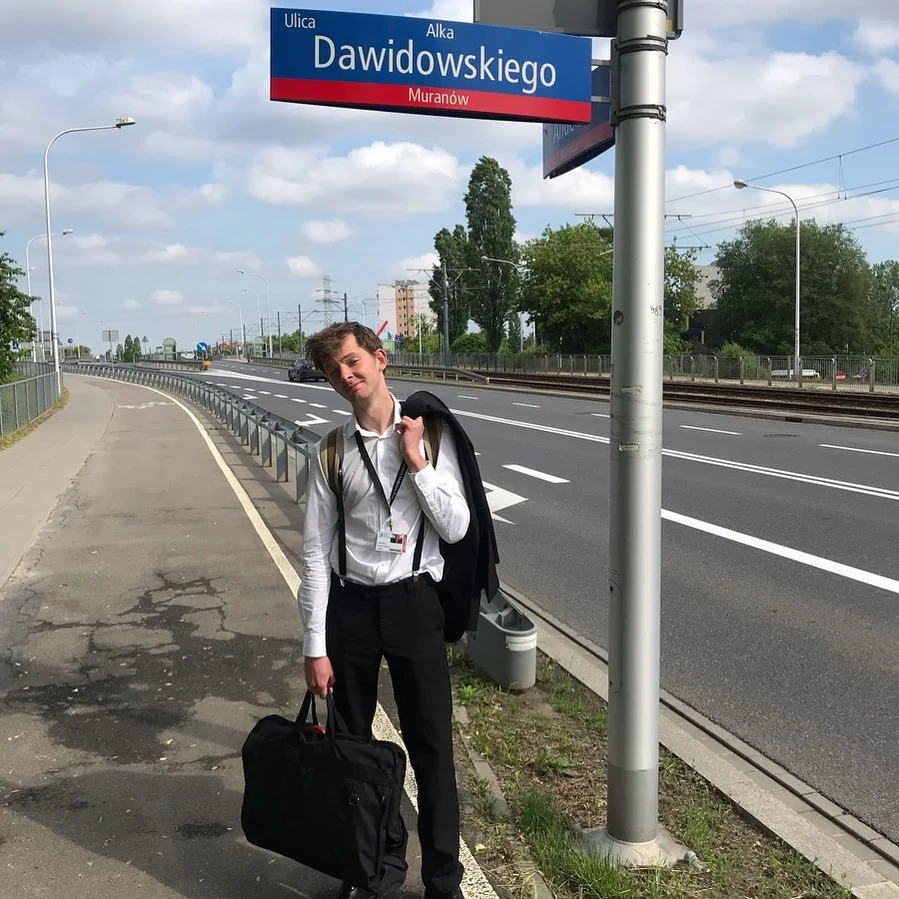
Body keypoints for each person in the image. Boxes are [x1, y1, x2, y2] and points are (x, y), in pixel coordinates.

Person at [299, 321, 469, 899]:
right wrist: (313, 645)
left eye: (352, 362)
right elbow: (317, 554)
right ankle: (374, 868)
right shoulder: (331, 450)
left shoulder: (431, 436)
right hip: (350, 610)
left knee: (432, 747)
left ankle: (443, 880)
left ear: (380, 358)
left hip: (414, 600)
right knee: (353, 751)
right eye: (333, 371)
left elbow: (456, 526)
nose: (345, 377)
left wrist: (417, 463)